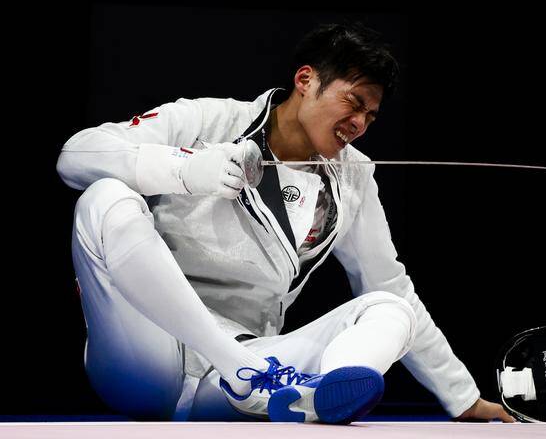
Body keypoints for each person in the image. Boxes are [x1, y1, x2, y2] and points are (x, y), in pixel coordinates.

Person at [56, 22, 514, 424]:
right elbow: (76, 155)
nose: (359, 123)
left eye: (370, 116)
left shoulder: (354, 175)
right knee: (104, 197)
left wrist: (463, 397)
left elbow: (390, 282)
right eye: (353, 102)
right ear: (306, 80)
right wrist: (183, 169)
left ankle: (319, 396)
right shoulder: (206, 120)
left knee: (390, 309)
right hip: (144, 355)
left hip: (246, 373)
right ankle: (242, 371)